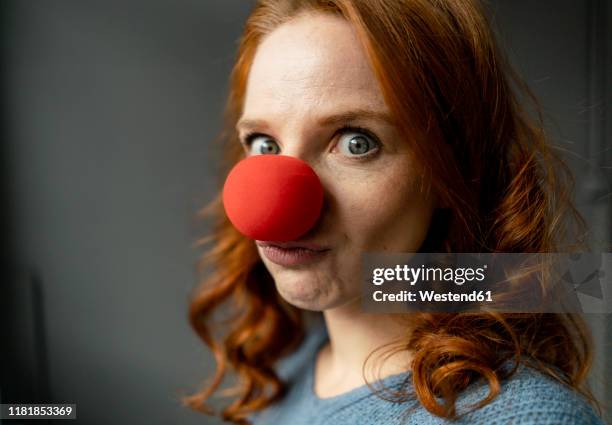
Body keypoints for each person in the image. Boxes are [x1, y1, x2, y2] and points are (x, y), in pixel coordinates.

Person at [183, 0, 605, 424]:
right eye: (264, 145)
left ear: (448, 172)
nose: (279, 205)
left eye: (356, 142)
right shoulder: (281, 379)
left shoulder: (527, 417)